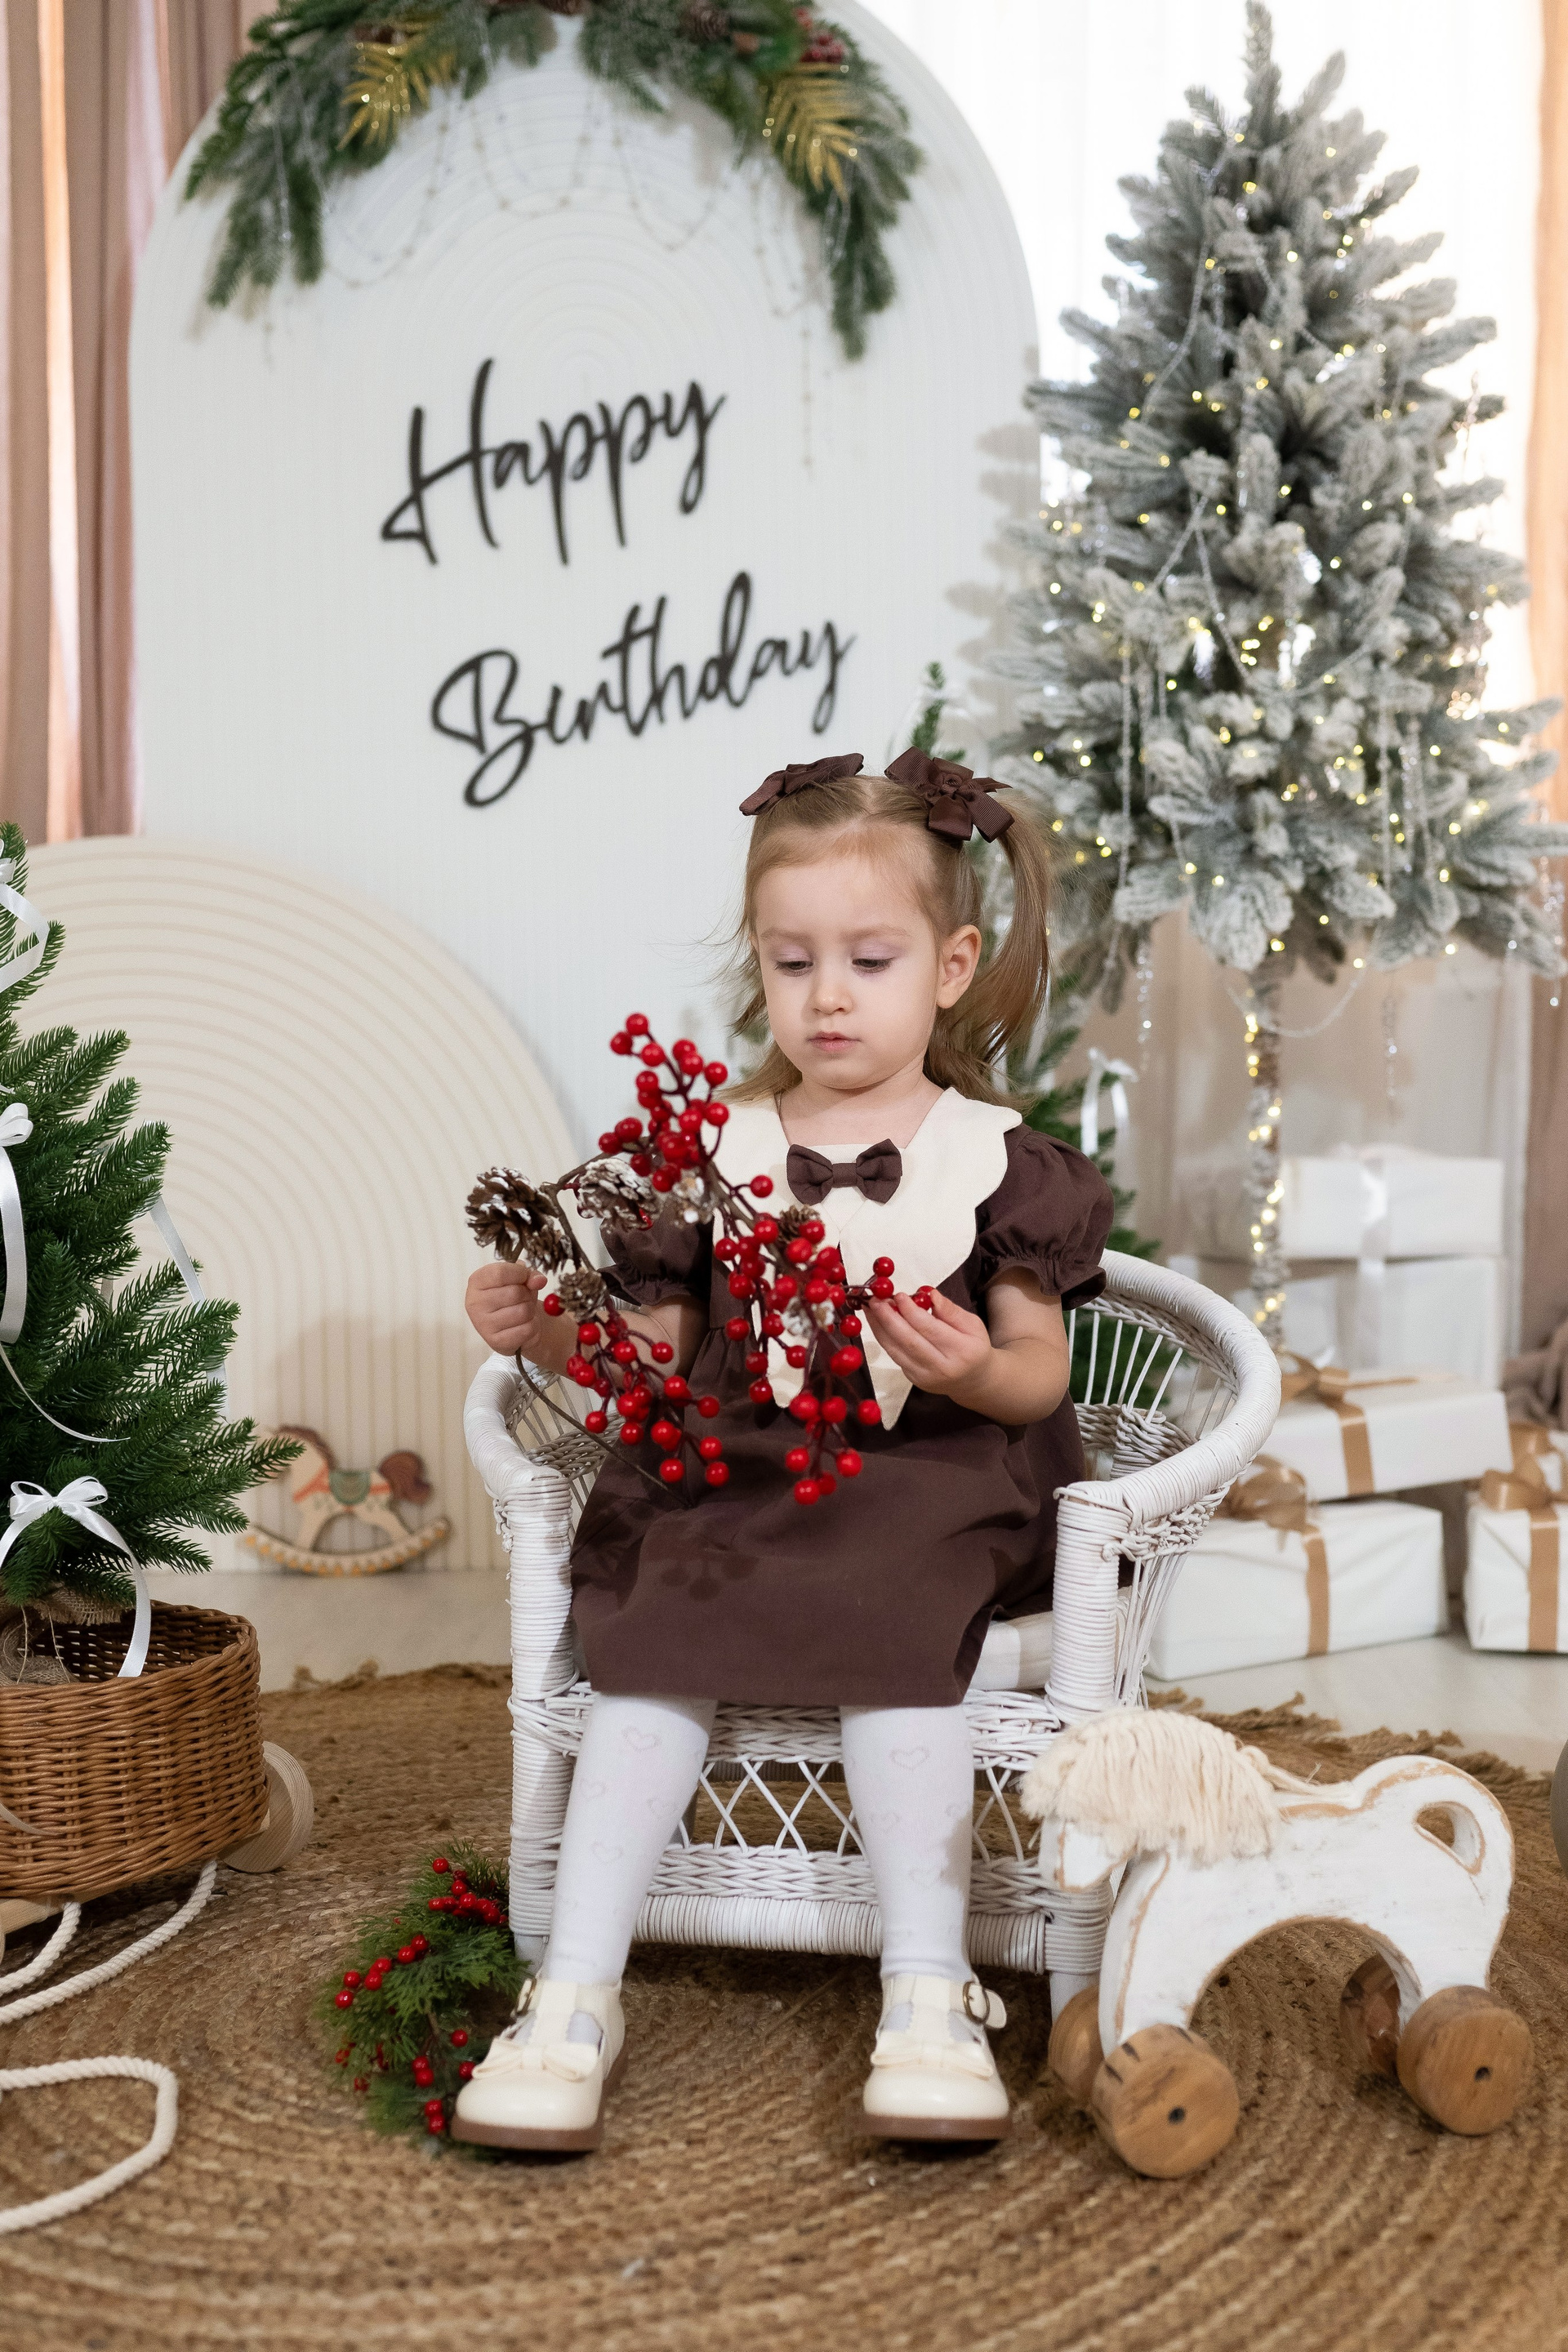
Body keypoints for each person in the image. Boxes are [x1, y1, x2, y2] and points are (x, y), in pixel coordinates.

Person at [458, 748, 1114, 2153]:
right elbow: (652, 1361)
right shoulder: (712, 1151)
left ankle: (928, 1991)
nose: (827, 996)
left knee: (897, 1627)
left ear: (950, 968)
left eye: (869, 961)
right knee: (653, 1634)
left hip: (924, 1484)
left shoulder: (1001, 1163)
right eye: (793, 959)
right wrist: (549, 1332)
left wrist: (976, 1367)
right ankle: (573, 1991)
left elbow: (1039, 1373)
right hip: (742, 1481)